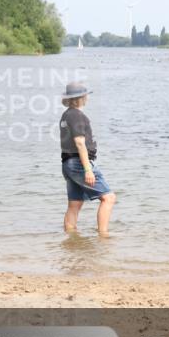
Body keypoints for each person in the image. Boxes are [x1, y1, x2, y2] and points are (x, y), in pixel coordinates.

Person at [59, 82, 116, 236]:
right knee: (108, 198)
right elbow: (79, 142)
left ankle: (70, 238)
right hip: (78, 163)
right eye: (85, 95)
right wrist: (88, 169)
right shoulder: (77, 115)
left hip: (67, 163)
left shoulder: (66, 115)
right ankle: (103, 236)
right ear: (81, 97)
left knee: (75, 204)